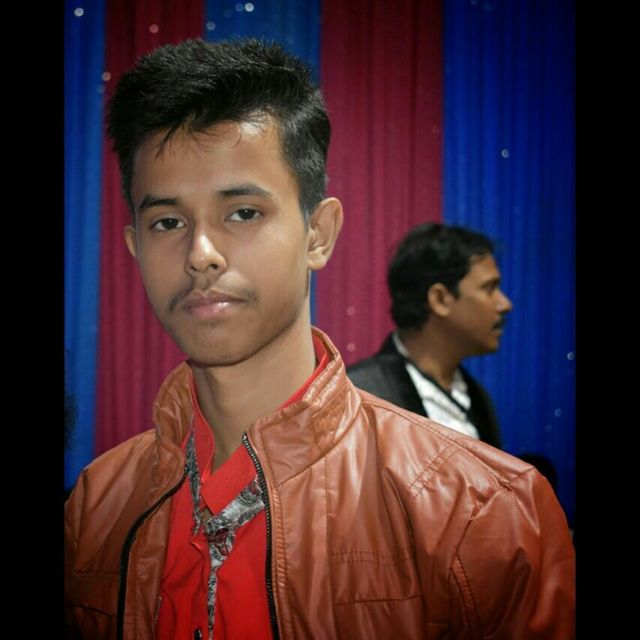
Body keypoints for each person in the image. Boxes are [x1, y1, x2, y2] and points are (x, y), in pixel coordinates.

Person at [64, 38, 575, 639]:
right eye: (167, 222)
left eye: (243, 212)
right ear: (134, 248)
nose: (200, 253)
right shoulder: (95, 507)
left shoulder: (483, 510)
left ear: (319, 234)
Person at [348, 223, 512, 448]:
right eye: (489, 288)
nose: (505, 304)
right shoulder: (360, 394)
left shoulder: (478, 398)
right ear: (440, 299)